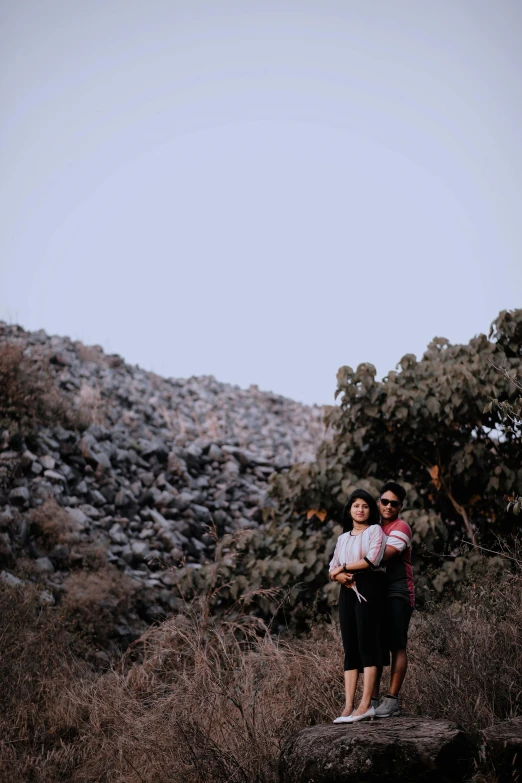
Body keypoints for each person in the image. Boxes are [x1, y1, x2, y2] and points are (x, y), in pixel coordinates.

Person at [329, 489, 389, 723]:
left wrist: (341, 570)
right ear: (349, 510)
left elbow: (372, 560)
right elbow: (331, 568)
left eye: (364, 506)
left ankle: (365, 706)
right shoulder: (342, 538)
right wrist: (337, 576)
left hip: (369, 587)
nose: (360, 510)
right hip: (346, 590)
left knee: (368, 643)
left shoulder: (376, 531)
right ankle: (347, 707)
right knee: (350, 646)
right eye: (356, 506)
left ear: (370, 510)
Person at [372, 481, 414, 719]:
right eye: (385, 502)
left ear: (400, 507)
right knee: (376, 645)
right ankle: (373, 699)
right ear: (378, 502)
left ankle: (392, 700)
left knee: (397, 644)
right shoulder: (374, 528)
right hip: (378, 593)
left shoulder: (402, 528)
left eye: (394, 504)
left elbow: (380, 556)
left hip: (399, 591)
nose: (388, 506)